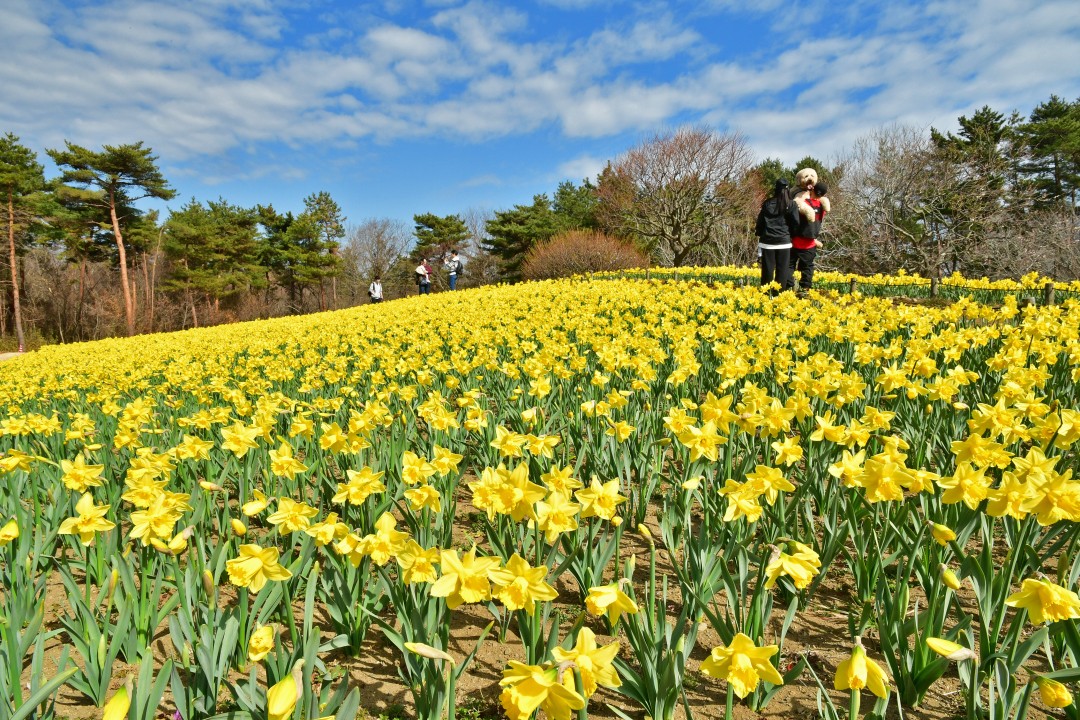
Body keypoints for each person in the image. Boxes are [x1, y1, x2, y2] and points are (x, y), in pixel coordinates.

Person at [786, 175, 830, 292]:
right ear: (823, 195)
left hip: (795, 241)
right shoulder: (822, 207)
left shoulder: (803, 202)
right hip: (810, 243)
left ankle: (787, 286)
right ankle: (805, 288)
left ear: (812, 189)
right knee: (807, 267)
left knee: (789, 265)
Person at [755, 178, 794, 291]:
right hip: (784, 242)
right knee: (783, 270)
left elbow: (760, 221)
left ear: (775, 189)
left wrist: (759, 233)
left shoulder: (767, 204)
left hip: (768, 241)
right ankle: (779, 293)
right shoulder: (791, 204)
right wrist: (791, 235)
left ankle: (765, 293)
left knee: (767, 270)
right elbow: (795, 223)